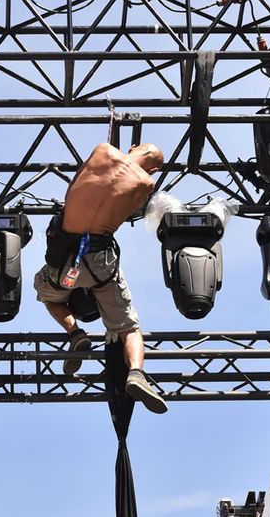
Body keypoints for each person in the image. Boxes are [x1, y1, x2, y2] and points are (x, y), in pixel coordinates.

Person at [32, 142, 168, 414]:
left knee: (47, 295)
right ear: (153, 168)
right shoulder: (146, 182)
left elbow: (75, 185)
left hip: (64, 259)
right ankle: (137, 374)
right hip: (100, 262)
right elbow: (132, 211)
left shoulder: (103, 149)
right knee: (128, 326)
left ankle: (75, 333)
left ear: (134, 147)